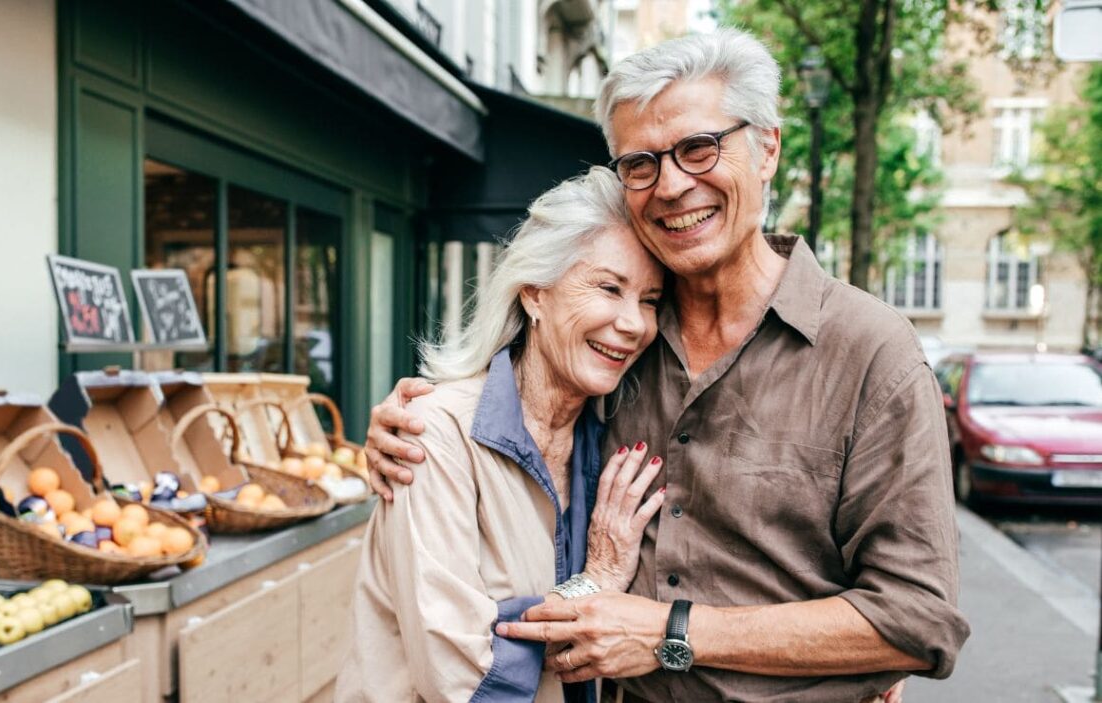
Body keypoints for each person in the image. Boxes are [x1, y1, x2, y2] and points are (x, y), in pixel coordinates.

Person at [363, 27, 970, 703]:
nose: (673, 184)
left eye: (699, 148)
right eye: (641, 163)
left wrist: (670, 631)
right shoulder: (623, 350)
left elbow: (917, 620)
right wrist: (415, 421)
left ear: (767, 147)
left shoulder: (870, 352)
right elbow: (518, 404)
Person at [335, 168, 669, 703]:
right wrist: (599, 584)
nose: (634, 323)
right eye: (610, 287)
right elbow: (463, 674)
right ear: (535, 294)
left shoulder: (606, 439)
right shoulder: (434, 435)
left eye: (650, 300)